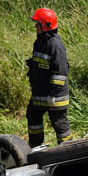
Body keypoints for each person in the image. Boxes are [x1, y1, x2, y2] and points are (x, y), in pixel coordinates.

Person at [26, 8, 71, 148]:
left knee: (59, 122)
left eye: (37, 24)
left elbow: (60, 72)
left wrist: (53, 94)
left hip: (55, 96)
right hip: (40, 93)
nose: (35, 26)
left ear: (45, 25)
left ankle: (68, 149)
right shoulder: (39, 42)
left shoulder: (55, 45)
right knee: (33, 114)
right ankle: (35, 145)